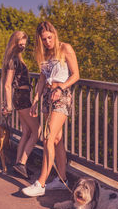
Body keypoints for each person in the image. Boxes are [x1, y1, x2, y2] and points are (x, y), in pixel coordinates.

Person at [22, 21, 80, 196]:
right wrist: (35, 100)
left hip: (61, 96)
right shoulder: (45, 55)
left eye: (49, 37)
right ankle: (62, 180)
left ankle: (40, 183)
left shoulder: (65, 48)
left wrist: (61, 88)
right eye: (44, 39)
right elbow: (41, 80)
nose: (48, 41)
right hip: (47, 97)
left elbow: (76, 74)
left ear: (55, 35)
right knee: (56, 140)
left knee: (48, 137)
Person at [2, 31, 40, 179]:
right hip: (21, 98)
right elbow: (7, 85)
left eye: (24, 44)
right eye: (20, 44)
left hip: (22, 96)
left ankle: (18, 164)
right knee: (37, 131)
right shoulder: (13, 60)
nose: (23, 47)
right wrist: (9, 105)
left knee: (26, 131)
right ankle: (22, 164)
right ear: (14, 43)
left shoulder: (16, 58)